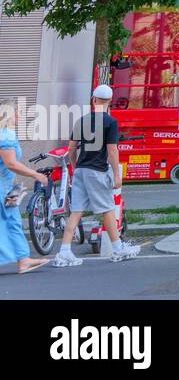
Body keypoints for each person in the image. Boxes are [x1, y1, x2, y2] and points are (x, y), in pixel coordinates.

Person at [52, 84, 138, 266]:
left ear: (93, 100)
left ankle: (64, 251)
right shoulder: (110, 122)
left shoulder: (81, 120)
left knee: (76, 211)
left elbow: (72, 147)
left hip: (81, 170)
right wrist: (116, 175)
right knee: (107, 209)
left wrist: (75, 167)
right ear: (110, 102)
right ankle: (118, 248)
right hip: (97, 170)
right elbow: (112, 150)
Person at [0, 99, 49, 274]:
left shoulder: (5, 134)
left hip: (6, 188)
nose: (20, 116)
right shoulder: (6, 135)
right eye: (18, 112)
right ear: (11, 114)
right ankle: (23, 259)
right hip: (2, 188)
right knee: (9, 223)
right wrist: (35, 174)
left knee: (12, 222)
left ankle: (23, 259)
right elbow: (11, 163)